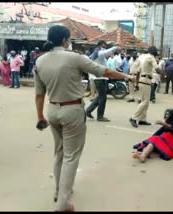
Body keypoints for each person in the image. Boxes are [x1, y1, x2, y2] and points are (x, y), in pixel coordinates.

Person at [34, 25, 134, 211]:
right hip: (72, 110)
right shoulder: (74, 57)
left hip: (52, 110)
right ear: (65, 40)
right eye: (69, 38)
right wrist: (126, 76)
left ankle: (59, 191)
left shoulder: (40, 61)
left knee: (60, 153)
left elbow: (39, 94)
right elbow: (104, 71)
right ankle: (63, 203)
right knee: (71, 156)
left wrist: (40, 116)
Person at [86, 40, 121, 122]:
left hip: (102, 78)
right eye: (104, 46)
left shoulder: (96, 54)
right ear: (100, 46)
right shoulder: (98, 53)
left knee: (100, 97)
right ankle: (100, 116)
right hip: (99, 78)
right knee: (103, 98)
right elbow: (105, 53)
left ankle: (88, 110)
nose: (104, 48)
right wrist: (115, 47)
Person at [129, 46, 158, 128]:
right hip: (146, 80)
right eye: (155, 51)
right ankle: (134, 118)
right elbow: (157, 68)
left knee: (145, 101)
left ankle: (142, 119)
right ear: (153, 51)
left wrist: (137, 84)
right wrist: (163, 74)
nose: (156, 53)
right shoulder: (151, 57)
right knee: (145, 101)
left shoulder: (143, 58)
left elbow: (138, 72)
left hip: (142, 80)